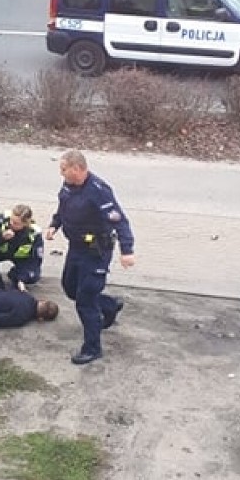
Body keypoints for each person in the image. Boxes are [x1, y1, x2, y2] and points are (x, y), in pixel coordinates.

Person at [45, 149, 135, 365]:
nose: (61, 173)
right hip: (76, 248)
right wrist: (55, 224)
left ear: (77, 169)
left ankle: (92, 348)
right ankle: (109, 305)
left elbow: (119, 220)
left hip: (96, 251)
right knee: (70, 288)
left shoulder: (98, 191)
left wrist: (127, 250)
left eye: (64, 169)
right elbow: (63, 207)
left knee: (85, 301)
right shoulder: (69, 185)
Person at [0, 204, 44, 292]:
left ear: (25, 223)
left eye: (16, 223)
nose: (11, 224)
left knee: (33, 276)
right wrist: (2, 238)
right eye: (11, 220)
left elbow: (35, 261)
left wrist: (22, 278)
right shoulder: (3, 219)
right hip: (1, 252)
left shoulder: (34, 233)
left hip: (21, 258)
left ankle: (15, 277)